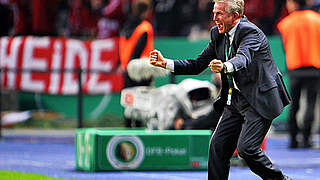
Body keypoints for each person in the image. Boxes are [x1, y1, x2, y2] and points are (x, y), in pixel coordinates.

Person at [149, 0, 292, 179]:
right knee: (217, 146)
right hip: (236, 99)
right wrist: (165, 63)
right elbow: (197, 64)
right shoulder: (217, 33)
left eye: (219, 14)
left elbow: (243, 58)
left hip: (259, 98)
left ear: (235, 16)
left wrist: (225, 66)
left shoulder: (251, 32)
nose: (214, 18)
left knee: (247, 149)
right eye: (214, 12)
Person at [277, 0, 320, 148]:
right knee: (310, 103)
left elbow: (285, 47)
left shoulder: (285, 23)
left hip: (295, 67)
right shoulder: (317, 19)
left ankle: (293, 140)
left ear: (294, 4)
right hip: (314, 67)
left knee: (294, 104)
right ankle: (307, 139)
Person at [119, 0, 154, 128]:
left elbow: (122, 47)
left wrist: (124, 64)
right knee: (140, 102)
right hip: (141, 69)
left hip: (127, 69)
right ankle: (139, 131)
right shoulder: (145, 27)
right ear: (146, 11)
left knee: (128, 101)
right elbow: (139, 49)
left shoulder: (126, 26)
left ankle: (127, 129)